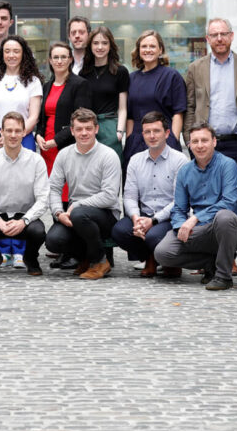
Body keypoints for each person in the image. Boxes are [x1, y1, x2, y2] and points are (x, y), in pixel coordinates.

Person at [153, 123, 237, 291]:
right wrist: (180, 227)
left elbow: (229, 202)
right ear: (189, 145)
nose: (199, 145)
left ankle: (223, 276)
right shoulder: (185, 171)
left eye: (204, 140)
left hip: (232, 229)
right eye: (195, 141)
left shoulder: (228, 165)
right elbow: (178, 209)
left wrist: (195, 218)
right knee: (163, 253)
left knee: (224, 216)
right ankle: (212, 262)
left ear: (214, 142)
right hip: (200, 231)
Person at [46, 108, 122, 280]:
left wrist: (76, 206)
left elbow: (110, 195)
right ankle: (85, 259)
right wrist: (59, 213)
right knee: (53, 240)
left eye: (88, 128)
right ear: (72, 131)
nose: (84, 133)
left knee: (80, 214)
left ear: (96, 129)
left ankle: (100, 261)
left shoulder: (109, 156)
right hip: (76, 215)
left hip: (105, 214)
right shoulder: (64, 155)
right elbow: (54, 188)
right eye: (79, 129)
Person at [35, 42, 91, 270]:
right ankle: (64, 248)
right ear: (49, 60)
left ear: (70, 60)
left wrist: (56, 141)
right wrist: (39, 135)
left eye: (63, 57)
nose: (59, 61)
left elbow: (80, 120)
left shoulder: (79, 85)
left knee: (70, 198)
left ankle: (75, 251)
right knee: (56, 195)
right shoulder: (46, 85)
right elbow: (42, 117)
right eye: (55, 57)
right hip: (47, 150)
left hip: (66, 148)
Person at [112, 112, 188, 278]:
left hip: (170, 217)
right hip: (144, 215)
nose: (152, 136)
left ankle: (169, 260)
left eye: (156, 131)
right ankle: (149, 257)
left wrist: (153, 221)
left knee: (153, 235)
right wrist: (136, 219)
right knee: (119, 231)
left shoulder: (180, 160)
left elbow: (179, 202)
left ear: (167, 133)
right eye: (147, 132)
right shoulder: (135, 160)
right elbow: (130, 197)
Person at [0, 112, 49, 276]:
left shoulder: (36, 161)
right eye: (9, 130)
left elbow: (43, 200)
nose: (13, 135)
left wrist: (24, 221)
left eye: (17, 131)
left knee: (39, 231)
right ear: (1, 132)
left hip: (25, 217)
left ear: (25, 132)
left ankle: (30, 258)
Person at [183, 18, 237, 176]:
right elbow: (190, 106)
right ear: (207, 39)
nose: (219, 38)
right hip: (205, 143)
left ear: (232, 36)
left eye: (224, 34)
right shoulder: (195, 68)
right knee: (205, 192)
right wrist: (189, 140)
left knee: (234, 193)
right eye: (214, 35)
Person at [123, 30, 187, 169]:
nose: (148, 50)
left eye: (152, 46)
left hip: (164, 141)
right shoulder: (131, 78)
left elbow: (178, 112)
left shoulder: (172, 76)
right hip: (136, 142)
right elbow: (129, 116)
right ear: (138, 50)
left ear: (160, 50)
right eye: (144, 46)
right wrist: (129, 139)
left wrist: (173, 139)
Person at [0, 34, 44, 155]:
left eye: (16, 51)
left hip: (23, 136)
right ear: (2, 54)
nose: (11, 55)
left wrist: (16, 134)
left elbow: (34, 117)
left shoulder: (33, 81)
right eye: (7, 51)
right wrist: (1, 135)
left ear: (23, 54)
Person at [80, 26, 129, 160]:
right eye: (96, 43)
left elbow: (123, 108)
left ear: (110, 45)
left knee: (112, 171)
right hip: (88, 126)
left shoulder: (120, 71)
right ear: (90, 46)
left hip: (110, 126)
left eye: (104, 43)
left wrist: (119, 131)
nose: (100, 47)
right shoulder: (84, 73)